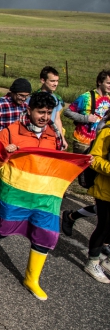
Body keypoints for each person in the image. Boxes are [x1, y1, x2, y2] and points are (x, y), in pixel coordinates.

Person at [0, 92, 62, 300]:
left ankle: (32, 279)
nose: (45, 117)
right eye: (40, 112)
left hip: (43, 195)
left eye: (48, 113)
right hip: (16, 191)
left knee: (45, 233)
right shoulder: (11, 131)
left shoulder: (52, 135)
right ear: (28, 110)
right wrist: (5, 151)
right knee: (2, 229)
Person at [62, 71, 110, 235]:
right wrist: (85, 119)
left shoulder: (109, 100)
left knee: (101, 197)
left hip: (102, 145)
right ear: (100, 82)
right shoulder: (87, 97)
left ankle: (73, 216)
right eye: (108, 83)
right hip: (84, 141)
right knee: (86, 183)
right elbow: (68, 112)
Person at [82, 110, 110, 282]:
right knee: (105, 226)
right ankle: (92, 261)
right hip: (106, 190)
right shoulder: (107, 131)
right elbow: (93, 158)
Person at [37, 66, 67, 149]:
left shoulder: (56, 98)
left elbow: (57, 119)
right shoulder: (34, 98)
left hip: (52, 135)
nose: (55, 84)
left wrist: (62, 139)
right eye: (52, 81)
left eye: (57, 81)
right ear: (43, 80)